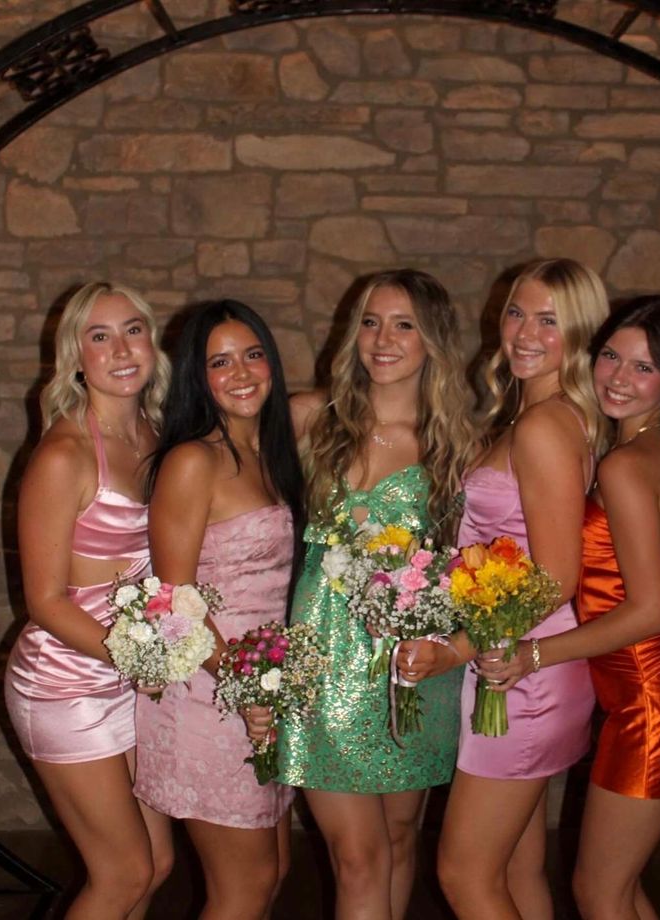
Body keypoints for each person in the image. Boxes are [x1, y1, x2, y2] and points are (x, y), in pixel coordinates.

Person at [481, 295, 660, 920]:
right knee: (618, 888)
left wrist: (532, 653)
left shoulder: (623, 465)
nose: (618, 377)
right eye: (612, 357)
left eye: (643, 367)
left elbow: (648, 612)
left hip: (652, 694)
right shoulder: (640, 454)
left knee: (600, 891)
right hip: (652, 683)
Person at [398, 258, 610, 919]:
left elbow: (554, 577)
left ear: (580, 334)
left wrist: (458, 650)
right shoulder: (543, 414)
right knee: (518, 873)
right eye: (517, 312)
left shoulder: (546, 426)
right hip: (519, 666)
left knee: (465, 876)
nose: (523, 332)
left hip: (520, 676)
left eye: (549, 320)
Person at [276, 268, 475, 920]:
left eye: (403, 324)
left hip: (414, 672)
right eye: (370, 321)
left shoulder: (458, 446)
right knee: (358, 857)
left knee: (396, 837)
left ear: (433, 341)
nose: (382, 339)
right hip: (325, 666)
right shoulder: (310, 420)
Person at [4, 281, 173, 918]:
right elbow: (45, 601)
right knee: (124, 873)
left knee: (156, 865)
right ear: (76, 355)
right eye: (100, 336)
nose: (121, 348)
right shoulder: (64, 454)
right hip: (65, 683)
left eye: (134, 329)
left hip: (133, 676)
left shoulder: (156, 434)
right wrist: (141, 662)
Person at [133, 300, 305, 920]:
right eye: (220, 362)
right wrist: (246, 684)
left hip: (261, 687)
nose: (241, 373)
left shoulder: (269, 452)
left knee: (275, 871)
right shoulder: (193, 461)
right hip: (211, 690)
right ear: (196, 379)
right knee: (244, 888)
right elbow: (173, 602)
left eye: (253, 355)